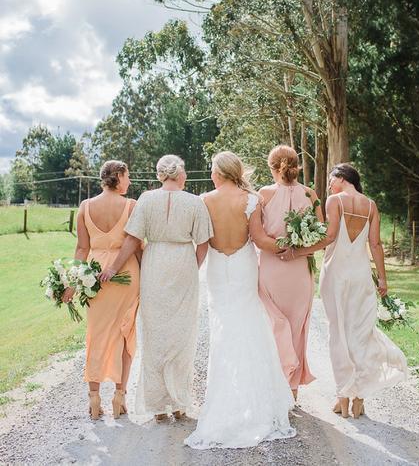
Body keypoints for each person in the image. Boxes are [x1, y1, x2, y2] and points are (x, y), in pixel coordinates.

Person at [184, 151, 296, 450]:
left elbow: (203, 243)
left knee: (224, 331)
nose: (210, 174)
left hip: (219, 268)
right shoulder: (251, 198)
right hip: (244, 266)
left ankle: (226, 398)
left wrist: (189, 272)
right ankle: (257, 398)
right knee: (248, 324)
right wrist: (287, 246)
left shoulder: (205, 200)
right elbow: (260, 240)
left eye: (212, 169)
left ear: (221, 173)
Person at [278, 163, 407, 418]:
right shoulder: (370, 205)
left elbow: (329, 237)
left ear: (342, 178)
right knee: (359, 334)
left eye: (330, 179)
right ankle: (358, 397)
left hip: (337, 274)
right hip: (361, 277)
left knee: (338, 334)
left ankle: (343, 398)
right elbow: (376, 244)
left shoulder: (335, 201)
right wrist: (382, 279)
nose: (328, 185)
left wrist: (298, 252)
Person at [100, 155, 213, 422]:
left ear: (161, 175)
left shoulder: (147, 200)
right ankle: (177, 403)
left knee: (154, 335)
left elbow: (132, 239)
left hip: (154, 265)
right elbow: (204, 243)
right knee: (181, 336)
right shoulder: (195, 202)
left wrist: (113, 268)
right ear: (181, 174)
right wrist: (191, 268)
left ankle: (157, 406)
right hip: (183, 263)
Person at [63, 160, 140, 420]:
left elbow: (82, 249)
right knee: (125, 333)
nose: (129, 181)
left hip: (93, 277)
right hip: (126, 275)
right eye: (127, 176)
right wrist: (118, 268)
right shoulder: (131, 206)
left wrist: (73, 283)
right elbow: (134, 242)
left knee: (96, 335)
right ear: (117, 176)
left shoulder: (85, 207)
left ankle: (94, 401)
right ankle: (120, 397)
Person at [254, 145, 323, 400]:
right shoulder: (310, 193)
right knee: (296, 327)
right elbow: (323, 236)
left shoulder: (264, 194)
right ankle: (291, 390)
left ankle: (274, 386)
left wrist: (281, 246)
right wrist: (298, 251)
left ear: (272, 167)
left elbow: (257, 235)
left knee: (272, 325)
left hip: (272, 267)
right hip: (299, 270)